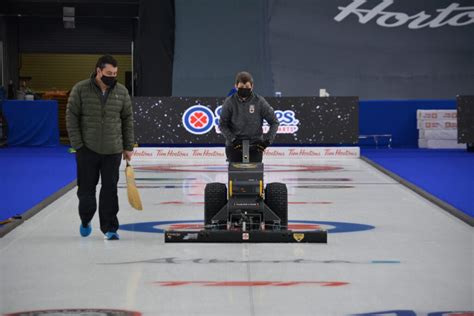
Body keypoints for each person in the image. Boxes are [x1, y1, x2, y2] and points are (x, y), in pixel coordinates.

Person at [66, 55, 134, 240]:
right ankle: (86, 219)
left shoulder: (121, 91)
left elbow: (127, 119)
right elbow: (71, 117)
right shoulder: (80, 89)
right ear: (98, 71)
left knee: (110, 190)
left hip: (113, 150)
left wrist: (128, 146)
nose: (112, 77)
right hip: (87, 149)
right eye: (108, 73)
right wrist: (78, 145)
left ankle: (110, 228)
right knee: (86, 191)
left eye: (115, 73)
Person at [219, 71, 280, 163]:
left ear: (252, 86)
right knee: (235, 176)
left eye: (247, 87)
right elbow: (222, 125)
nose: (244, 89)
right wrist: (233, 139)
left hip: (255, 146)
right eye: (241, 87)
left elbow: (274, 122)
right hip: (234, 146)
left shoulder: (260, 102)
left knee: (255, 176)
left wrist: (266, 141)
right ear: (236, 86)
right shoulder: (229, 102)